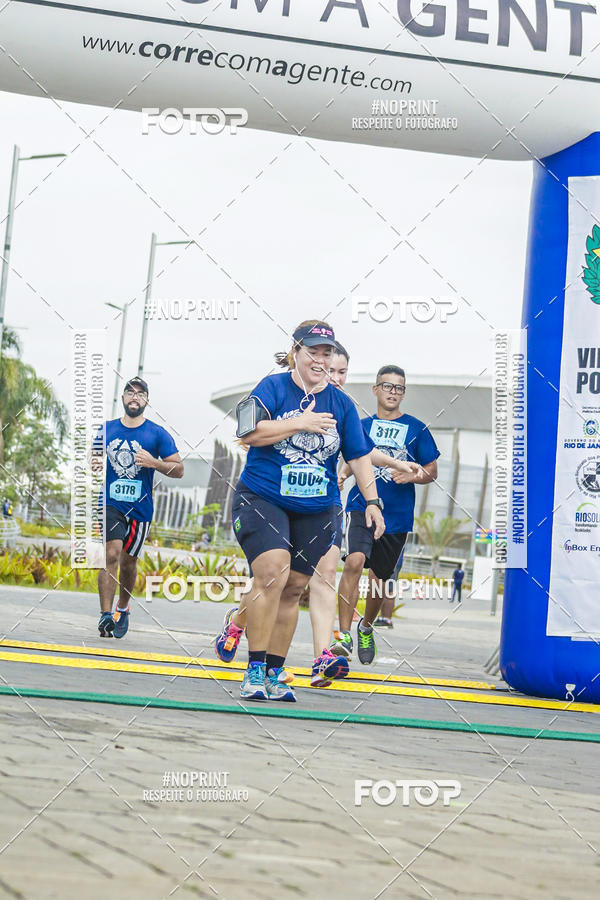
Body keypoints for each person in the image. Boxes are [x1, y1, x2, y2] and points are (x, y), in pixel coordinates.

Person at [216, 320, 385, 702]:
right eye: (314, 351)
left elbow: (358, 456)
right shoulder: (272, 388)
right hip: (262, 498)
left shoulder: (341, 404)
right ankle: (254, 669)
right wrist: (300, 422)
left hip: (317, 508)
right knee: (273, 571)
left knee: (293, 588)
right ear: (295, 351)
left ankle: (275, 671)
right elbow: (248, 434)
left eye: (327, 353)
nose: (321, 360)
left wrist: (372, 502)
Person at [332, 365, 439, 665]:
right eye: (387, 386)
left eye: (399, 388)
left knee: (380, 580)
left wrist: (414, 477)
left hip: (397, 516)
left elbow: (431, 471)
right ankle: (342, 637)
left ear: (403, 393)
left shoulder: (417, 429)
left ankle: (365, 626)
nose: (393, 392)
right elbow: (352, 457)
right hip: (361, 505)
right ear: (375, 389)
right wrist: (342, 474)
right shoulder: (361, 425)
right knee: (354, 562)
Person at [95, 377, 184, 638]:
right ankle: (104, 615)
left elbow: (179, 469)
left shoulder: (157, 433)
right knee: (111, 554)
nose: (135, 397)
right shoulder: (107, 429)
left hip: (140, 510)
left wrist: (154, 463)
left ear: (146, 401)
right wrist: (94, 462)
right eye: (130, 392)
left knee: (129, 561)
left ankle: (122, 608)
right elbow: (95, 455)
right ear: (123, 398)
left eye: (140, 394)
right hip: (111, 503)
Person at [372, 547, 405, 628]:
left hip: (393, 559)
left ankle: (387, 619)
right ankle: (382, 617)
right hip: (392, 558)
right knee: (384, 588)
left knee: (389, 589)